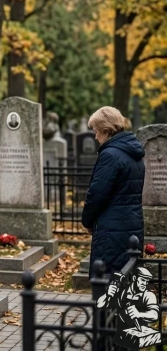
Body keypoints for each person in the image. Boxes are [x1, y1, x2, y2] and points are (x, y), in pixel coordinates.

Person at [81, 106, 145, 277]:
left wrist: (87, 220)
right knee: (127, 279)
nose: (95, 136)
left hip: (112, 230)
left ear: (105, 129)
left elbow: (97, 194)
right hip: (132, 226)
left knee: (108, 284)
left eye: (96, 131)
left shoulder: (110, 155)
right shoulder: (134, 153)